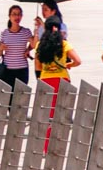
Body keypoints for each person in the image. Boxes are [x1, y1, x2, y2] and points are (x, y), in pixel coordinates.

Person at [34, 15, 80, 149]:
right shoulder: (64, 44)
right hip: (61, 80)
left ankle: (45, 146)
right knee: (60, 114)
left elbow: (37, 66)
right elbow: (78, 61)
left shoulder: (39, 45)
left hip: (45, 80)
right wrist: (68, 65)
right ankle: (58, 144)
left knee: (46, 114)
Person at [0, 4, 36, 86]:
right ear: (9, 16)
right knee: (8, 96)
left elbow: (34, 45)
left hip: (22, 69)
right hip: (7, 70)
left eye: (19, 14)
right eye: (14, 14)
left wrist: (28, 49)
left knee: (20, 95)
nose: (17, 17)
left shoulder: (26, 31)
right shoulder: (4, 33)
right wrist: (1, 49)